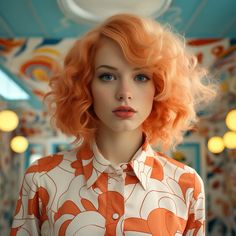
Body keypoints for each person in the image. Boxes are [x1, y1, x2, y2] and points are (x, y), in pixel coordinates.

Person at [10, 13, 216, 235]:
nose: (124, 93)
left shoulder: (187, 184)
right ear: (85, 86)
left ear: (159, 87)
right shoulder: (42, 177)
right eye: (107, 76)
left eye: (141, 77)